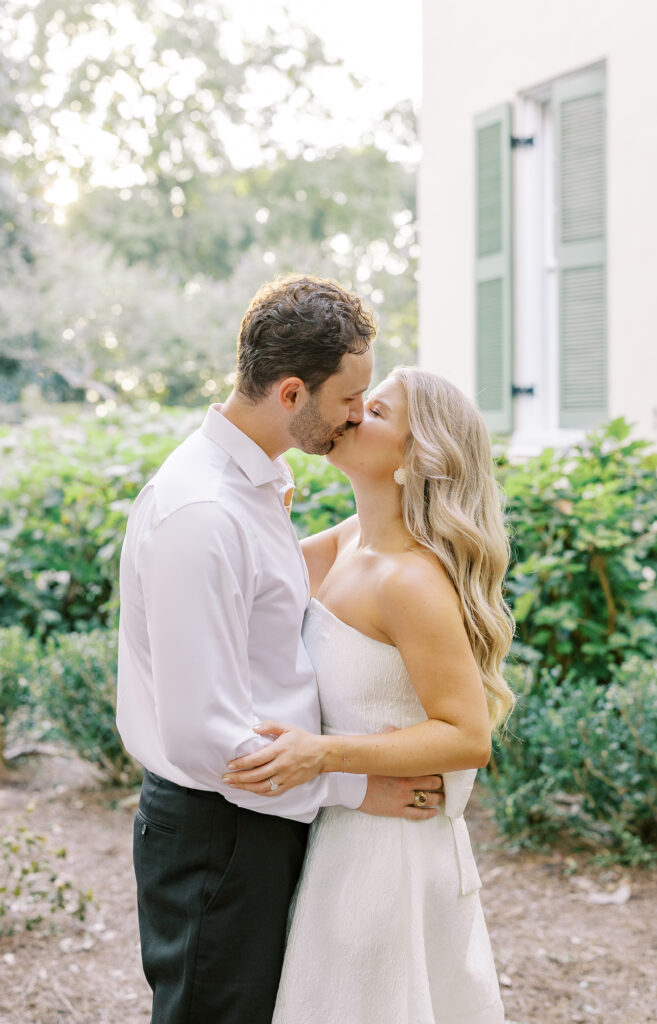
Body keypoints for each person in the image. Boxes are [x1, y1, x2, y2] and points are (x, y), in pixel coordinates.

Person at [116, 276, 444, 1024]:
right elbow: (205, 737)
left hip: (254, 821)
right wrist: (357, 787)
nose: (357, 415)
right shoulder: (204, 512)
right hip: (219, 833)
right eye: (348, 399)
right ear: (291, 393)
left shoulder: (256, 484)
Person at [223, 366, 516, 1024]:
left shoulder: (409, 581)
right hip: (339, 831)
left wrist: (321, 754)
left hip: (390, 855)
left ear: (415, 459)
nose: (350, 414)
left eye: (375, 412)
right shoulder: (345, 543)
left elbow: (467, 737)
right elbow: (240, 584)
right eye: (356, 401)